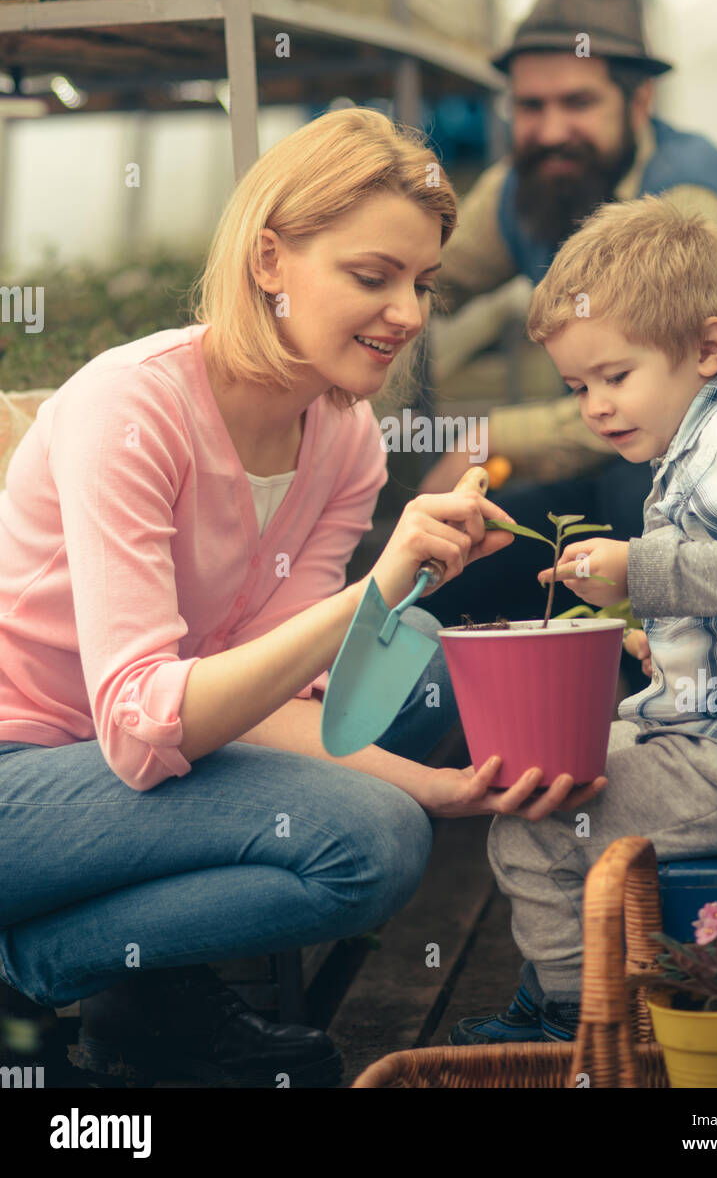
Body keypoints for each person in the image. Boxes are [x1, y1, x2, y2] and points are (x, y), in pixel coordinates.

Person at [0, 107, 602, 1089]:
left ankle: (144, 988)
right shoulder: (134, 408)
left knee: (428, 669)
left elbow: (285, 694)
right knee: (370, 838)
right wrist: (378, 586)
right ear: (270, 258)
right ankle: (34, 966)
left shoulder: (344, 439)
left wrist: (444, 786)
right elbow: (143, 724)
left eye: (422, 282)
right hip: (28, 776)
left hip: (150, 765)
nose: (407, 311)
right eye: (372, 276)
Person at [448, 194, 717, 1045]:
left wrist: (633, 565)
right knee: (553, 767)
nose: (595, 406)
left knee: (533, 821)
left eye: (615, 375)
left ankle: (576, 1024)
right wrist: (663, 642)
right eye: (577, 386)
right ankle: (588, 984)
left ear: (706, 347)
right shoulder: (709, 440)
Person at [417, 0, 717, 635]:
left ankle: (645, 704)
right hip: (627, 460)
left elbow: (673, 403)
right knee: (479, 549)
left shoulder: (691, 198)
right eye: (531, 107)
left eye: (577, 103)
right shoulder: (526, 186)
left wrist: (492, 437)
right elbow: (427, 278)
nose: (549, 129)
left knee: (637, 508)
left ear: (639, 102)